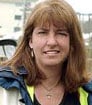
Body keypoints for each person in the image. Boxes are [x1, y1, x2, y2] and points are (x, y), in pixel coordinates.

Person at [0, 0, 92, 105]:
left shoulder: (88, 93)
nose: (52, 42)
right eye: (43, 32)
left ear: (72, 42)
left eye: (61, 33)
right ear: (30, 41)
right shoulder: (4, 89)